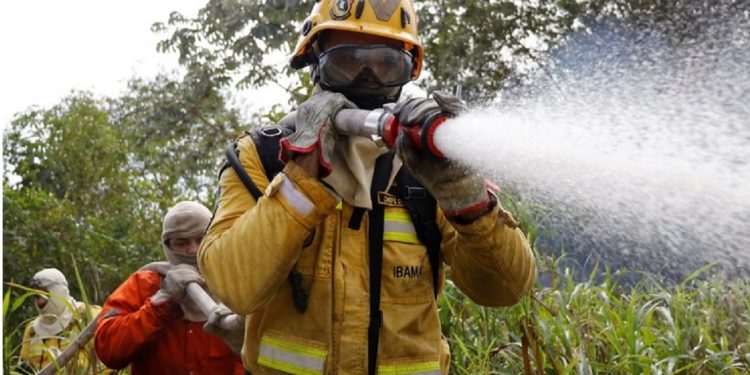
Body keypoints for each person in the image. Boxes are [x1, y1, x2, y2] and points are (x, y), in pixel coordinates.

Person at [199, 1, 536, 374]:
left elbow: (505, 288)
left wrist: (466, 196)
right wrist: (302, 177)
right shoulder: (263, 157)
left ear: (409, 71)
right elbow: (233, 285)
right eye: (348, 61)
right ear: (315, 61)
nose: (367, 78)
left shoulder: (424, 168)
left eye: (386, 65)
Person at [94, 201, 245, 374]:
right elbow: (109, 351)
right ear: (167, 245)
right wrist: (161, 304)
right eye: (181, 242)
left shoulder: (239, 285)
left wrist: (240, 337)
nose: (193, 250)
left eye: (201, 238)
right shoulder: (145, 283)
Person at [18, 268, 106, 374]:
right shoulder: (32, 330)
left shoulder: (88, 315)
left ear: (59, 292)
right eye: (36, 296)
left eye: (44, 294)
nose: (40, 302)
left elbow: (108, 361)